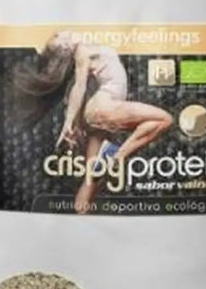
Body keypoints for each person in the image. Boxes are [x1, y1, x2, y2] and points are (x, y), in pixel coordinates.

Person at [14, 31, 173, 212]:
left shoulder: (87, 50)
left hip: (99, 109)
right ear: (65, 46)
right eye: (57, 37)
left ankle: (79, 215)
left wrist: (76, 121)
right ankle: (116, 158)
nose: (62, 33)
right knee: (164, 119)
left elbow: (81, 87)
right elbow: (79, 86)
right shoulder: (81, 51)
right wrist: (68, 122)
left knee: (90, 181)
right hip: (104, 106)